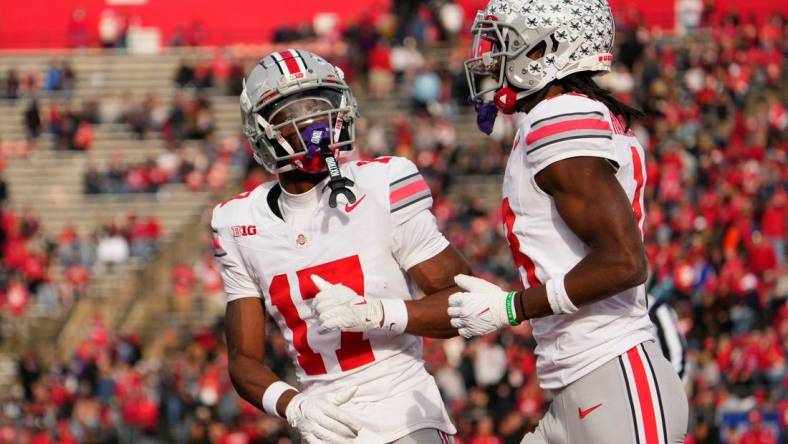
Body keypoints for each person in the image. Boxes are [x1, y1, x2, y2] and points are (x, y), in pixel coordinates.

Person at [439, 0, 688, 443]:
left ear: (548, 49)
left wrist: (510, 307)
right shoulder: (558, 115)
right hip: (581, 385)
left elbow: (624, 262)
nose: (491, 57)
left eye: (506, 44)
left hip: (613, 373)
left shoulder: (559, 115)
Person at [214, 49, 469, 443]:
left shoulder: (385, 183)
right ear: (263, 129)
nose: (313, 120)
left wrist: (379, 312)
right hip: (324, 425)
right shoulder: (237, 223)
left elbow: (466, 302)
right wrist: (293, 405)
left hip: (404, 413)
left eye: (321, 105)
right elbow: (244, 360)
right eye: (294, 110)